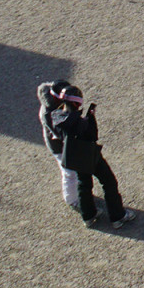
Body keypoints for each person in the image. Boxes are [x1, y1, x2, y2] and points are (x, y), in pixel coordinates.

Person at [53, 93, 130, 226]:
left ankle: (88, 216)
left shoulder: (58, 116)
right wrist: (91, 118)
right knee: (109, 182)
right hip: (89, 154)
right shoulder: (80, 122)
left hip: (74, 156)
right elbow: (92, 135)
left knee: (84, 184)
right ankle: (118, 216)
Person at [36, 82, 82, 210]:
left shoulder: (54, 96)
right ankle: (72, 200)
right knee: (69, 172)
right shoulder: (49, 113)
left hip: (62, 143)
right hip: (58, 146)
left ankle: (78, 190)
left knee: (75, 170)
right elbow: (61, 134)